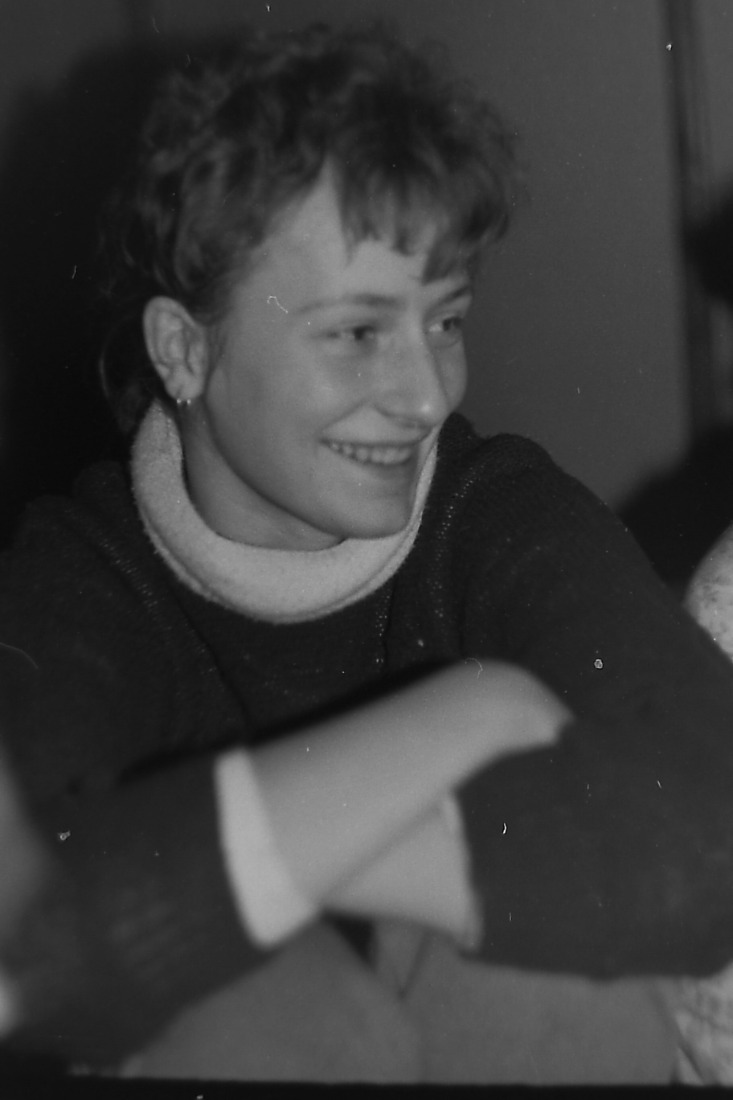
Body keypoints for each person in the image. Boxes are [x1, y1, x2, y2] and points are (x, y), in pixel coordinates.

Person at [2, 19, 733, 1085]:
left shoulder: (491, 507)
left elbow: (715, 842)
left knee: (553, 996)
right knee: (268, 1020)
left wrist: (274, 855)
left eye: (445, 321)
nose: (428, 395)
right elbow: (24, 952)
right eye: (356, 332)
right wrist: (461, 719)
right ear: (184, 349)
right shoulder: (78, 578)